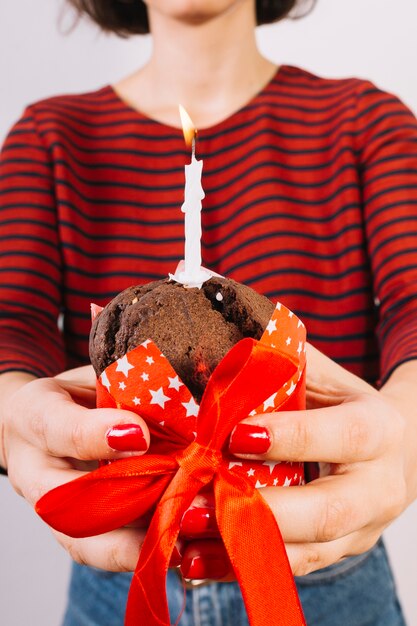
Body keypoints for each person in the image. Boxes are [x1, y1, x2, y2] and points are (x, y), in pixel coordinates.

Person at [1, 0, 416, 624]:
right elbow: (11, 331)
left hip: (326, 572)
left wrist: (404, 433)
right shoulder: (50, 138)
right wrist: (16, 420)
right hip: (122, 575)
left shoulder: (365, 123)